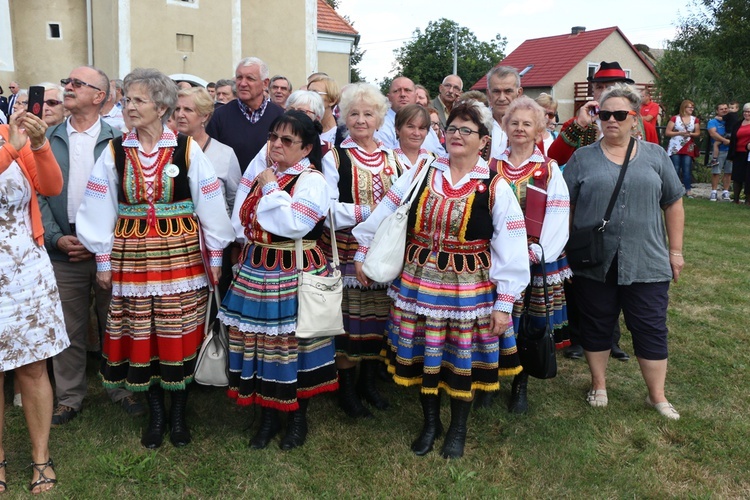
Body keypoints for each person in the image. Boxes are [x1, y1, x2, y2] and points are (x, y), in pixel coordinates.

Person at [352, 99, 529, 458]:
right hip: (419, 282)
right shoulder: (423, 173)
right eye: (452, 129)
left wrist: (505, 302)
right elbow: (389, 208)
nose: (457, 136)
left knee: (460, 358)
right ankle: (430, 423)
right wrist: (363, 248)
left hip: (469, 286)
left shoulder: (494, 186)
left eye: (467, 130)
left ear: (483, 141)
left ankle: (458, 428)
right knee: (422, 353)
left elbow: (512, 244)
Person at [75, 68, 234, 449]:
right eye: (127, 99)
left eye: (138, 100)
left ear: (161, 107)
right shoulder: (116, 151)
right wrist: (101, 258)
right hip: (132, 258)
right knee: (142, 331)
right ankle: (156, 414)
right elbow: (99, 205)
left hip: (181, 257)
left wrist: (214, 255)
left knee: (178, 331)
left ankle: (178, 414)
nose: (129, 106)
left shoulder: (187, 148)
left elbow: (210, 203)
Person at [218, 110, 339, 450]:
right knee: (259, 341)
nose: (277, 144)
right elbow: (247, 219)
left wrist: (270, 186)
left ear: (305, 148)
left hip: (293, 269)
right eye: (273, 137)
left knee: (294, 343)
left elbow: (295, 224)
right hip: (258, 267)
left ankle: (297, 416)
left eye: (287, 140)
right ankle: (267, 415)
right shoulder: (266, 174)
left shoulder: (311, 180)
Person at [563, 83, 684, 420]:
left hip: (647, 258)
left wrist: (676, 251)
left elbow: (673, 203)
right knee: (596, 322)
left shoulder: (656, 156)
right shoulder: (582, 157)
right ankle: (598, 384)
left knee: (650, 326)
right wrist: (568, 247)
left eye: (619, 114)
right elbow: (567, 205)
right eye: (604, 114)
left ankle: (656, 396)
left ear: (635, 119)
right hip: (594, 260)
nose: (611, 120)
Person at [41, 65, 143, 427]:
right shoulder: (48, 139)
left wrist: (101, 241)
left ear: (100, 96)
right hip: (62, 247)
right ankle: (69, 396)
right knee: (67, 326)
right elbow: (36, 194)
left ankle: (122, 387)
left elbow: (130, 198)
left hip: (109, 248)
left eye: (77, 84)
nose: (67, 87)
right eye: (67, 81)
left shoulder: (119, 140)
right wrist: (56, 237)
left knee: (117, 321)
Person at [548, 61, 646, 362]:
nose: (606, 91)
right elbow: (554, 156)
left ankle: (610, 339)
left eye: (613, 86)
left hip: (624, 206)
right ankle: (580, 336)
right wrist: (578, 125)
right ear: (593, 89)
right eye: (601, 86)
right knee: (583, 272)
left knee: (617, 272)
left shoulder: (635, 122)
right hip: (583, 204)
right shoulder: (583, 120)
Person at [488, 96, 570, 414]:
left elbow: (558, 215)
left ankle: (520, 384)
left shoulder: (548, 170)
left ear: (538, 130)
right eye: (514, 123)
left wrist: (538, 252)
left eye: (527, 124)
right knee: (492, 322)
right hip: (495, 260)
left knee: (525, 327)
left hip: (533, 260)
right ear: (505, 128)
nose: (520, 129)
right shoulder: (491, 166)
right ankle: (490, 378)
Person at [1, 108, 69, 494]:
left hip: (25, 272)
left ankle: (41, 458)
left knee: (32, 367)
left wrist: (40, 145)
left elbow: (52, 186)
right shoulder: (8, 141)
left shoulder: (7, 133)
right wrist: (11, 148)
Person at [325, 82, 400, 418]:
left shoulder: (393, 158)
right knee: (348, 323)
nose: (360, 119)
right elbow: (326, 207)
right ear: (343, 117)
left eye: (368, 113)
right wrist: (369, 212)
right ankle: (346, 389)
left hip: (383, 254)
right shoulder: (335, 157)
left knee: (378, 320)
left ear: (380, 119)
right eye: (353, 113)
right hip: (344, 252)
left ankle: (369, 384)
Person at [207, 58, 284, 172]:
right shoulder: (218, 117)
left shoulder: (280, 117)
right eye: (239, 77)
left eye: (250, 78)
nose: (242, 83)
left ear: (265, 83)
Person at [175, 87, 241, 215]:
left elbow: (234, 202)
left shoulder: (225, 154)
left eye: (188, 109)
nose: (180, 114)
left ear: (205, 116)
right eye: (177, 109)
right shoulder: (166, 149)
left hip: (214, 230)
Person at [375, 76, 445, 155]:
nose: (403, 94)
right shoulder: (380, 126)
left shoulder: (425, 123)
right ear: (388, 97)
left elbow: (441, 155)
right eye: (396, 91)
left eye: (407, 90)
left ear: (415, 97)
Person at [665, 99, 701, 198]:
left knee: (687, 167)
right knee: (675, 167)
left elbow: (698, 133)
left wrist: (690, 134)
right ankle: (674, 189)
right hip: (675, 145)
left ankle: (688, 190)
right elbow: (668, 132)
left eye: (692, 107)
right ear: (684, 108)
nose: (692, 109)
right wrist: (679, 133)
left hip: (688, 145)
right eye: (690, 107)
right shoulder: (675, 118)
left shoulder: (695, 119)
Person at [486, 66, 523, 159]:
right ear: (489, 94)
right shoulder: (475, 122)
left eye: (508, 91)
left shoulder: (530, 128)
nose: (502, 98)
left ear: (519, 93)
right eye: (496, 91)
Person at [394, 103, 436, 171]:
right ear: (397, 129)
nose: (416, 133)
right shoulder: (385, 160)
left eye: (421, 128)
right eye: (411, 127)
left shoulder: (434, 161)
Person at [706, 103, 732, 201]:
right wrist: (724, 140)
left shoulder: (731, 121)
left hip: (730, 150)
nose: (724, 110)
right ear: (717, 111)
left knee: (728, 172)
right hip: (719, 150)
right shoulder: (713, 122)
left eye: (726, 108)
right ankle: (714, 192)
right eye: (722, 109)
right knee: (716, 172)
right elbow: (713, 133)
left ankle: (726, 192)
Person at [307, 75, 342, 145]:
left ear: (332, 100)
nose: (308, 97)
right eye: (308, 93)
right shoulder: (304, 127)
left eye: (315, 93)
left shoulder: (344, 134)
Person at [727, 103, 750, 204]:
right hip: (738, 152)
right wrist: (731, 155)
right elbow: (733, 139)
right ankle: (735, 198)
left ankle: (748, 199)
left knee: (748, 177)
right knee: (737, 177)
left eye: (749, 112)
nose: (746, 113)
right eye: (745, 111)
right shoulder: (738, 124)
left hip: (748, 153)